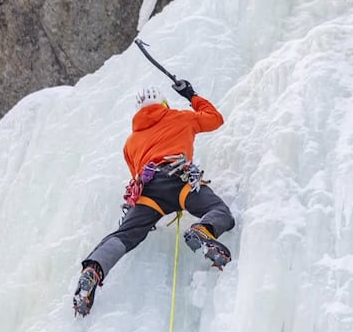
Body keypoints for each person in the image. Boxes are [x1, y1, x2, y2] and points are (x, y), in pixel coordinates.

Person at [73, 79, 235, 316]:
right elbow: (214, 118)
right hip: (179, 179)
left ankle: (94, 269)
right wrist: (191, 95)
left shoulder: (130, 143)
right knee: (220, 212)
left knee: (124, 235)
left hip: (148, 192)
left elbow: (135, 173)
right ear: (163, 103)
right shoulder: (181, 117)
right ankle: (203, 230)